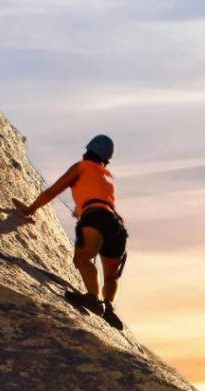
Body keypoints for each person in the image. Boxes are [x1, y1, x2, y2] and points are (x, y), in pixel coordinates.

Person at [14, 134, 127, 329]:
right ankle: (109, 307)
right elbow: (99, 199)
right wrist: (82, 209)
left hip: (95, 217)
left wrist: (29, 210)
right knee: (111, 276)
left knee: (82, 258)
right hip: (117, 226)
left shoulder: (81, 167)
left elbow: (52, 192)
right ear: (106, 159)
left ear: (87, 151)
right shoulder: (107, 177)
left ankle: (93, 298)